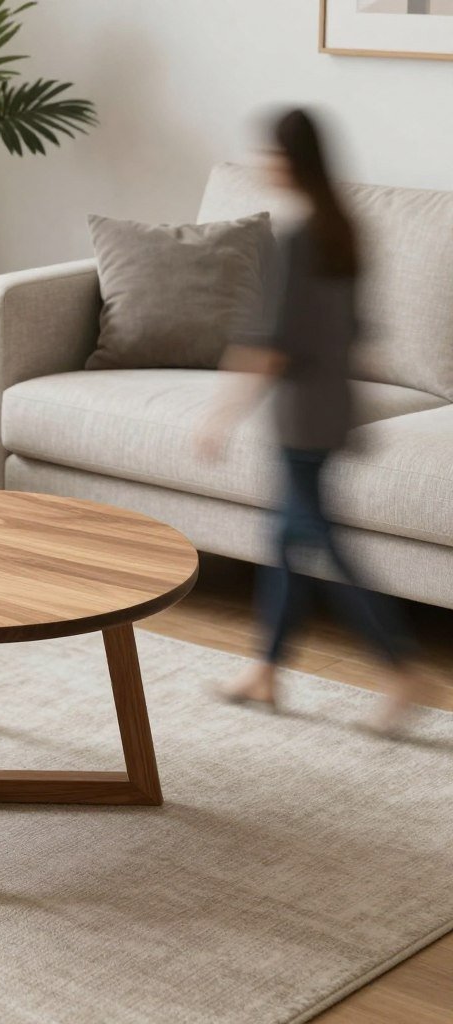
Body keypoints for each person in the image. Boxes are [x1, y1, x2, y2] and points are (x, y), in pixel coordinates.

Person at [197, 108, 425, 735]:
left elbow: (270, 342)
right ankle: (266, 669)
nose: (265, 163)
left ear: (291, 161)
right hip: (331, 407)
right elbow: (352, 333)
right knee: (287, 541)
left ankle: (400, 669)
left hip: (300, 415)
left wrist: (220, 413)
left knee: (319, 541)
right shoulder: (345, 229)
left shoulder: (299, 238)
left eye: (271, 153)